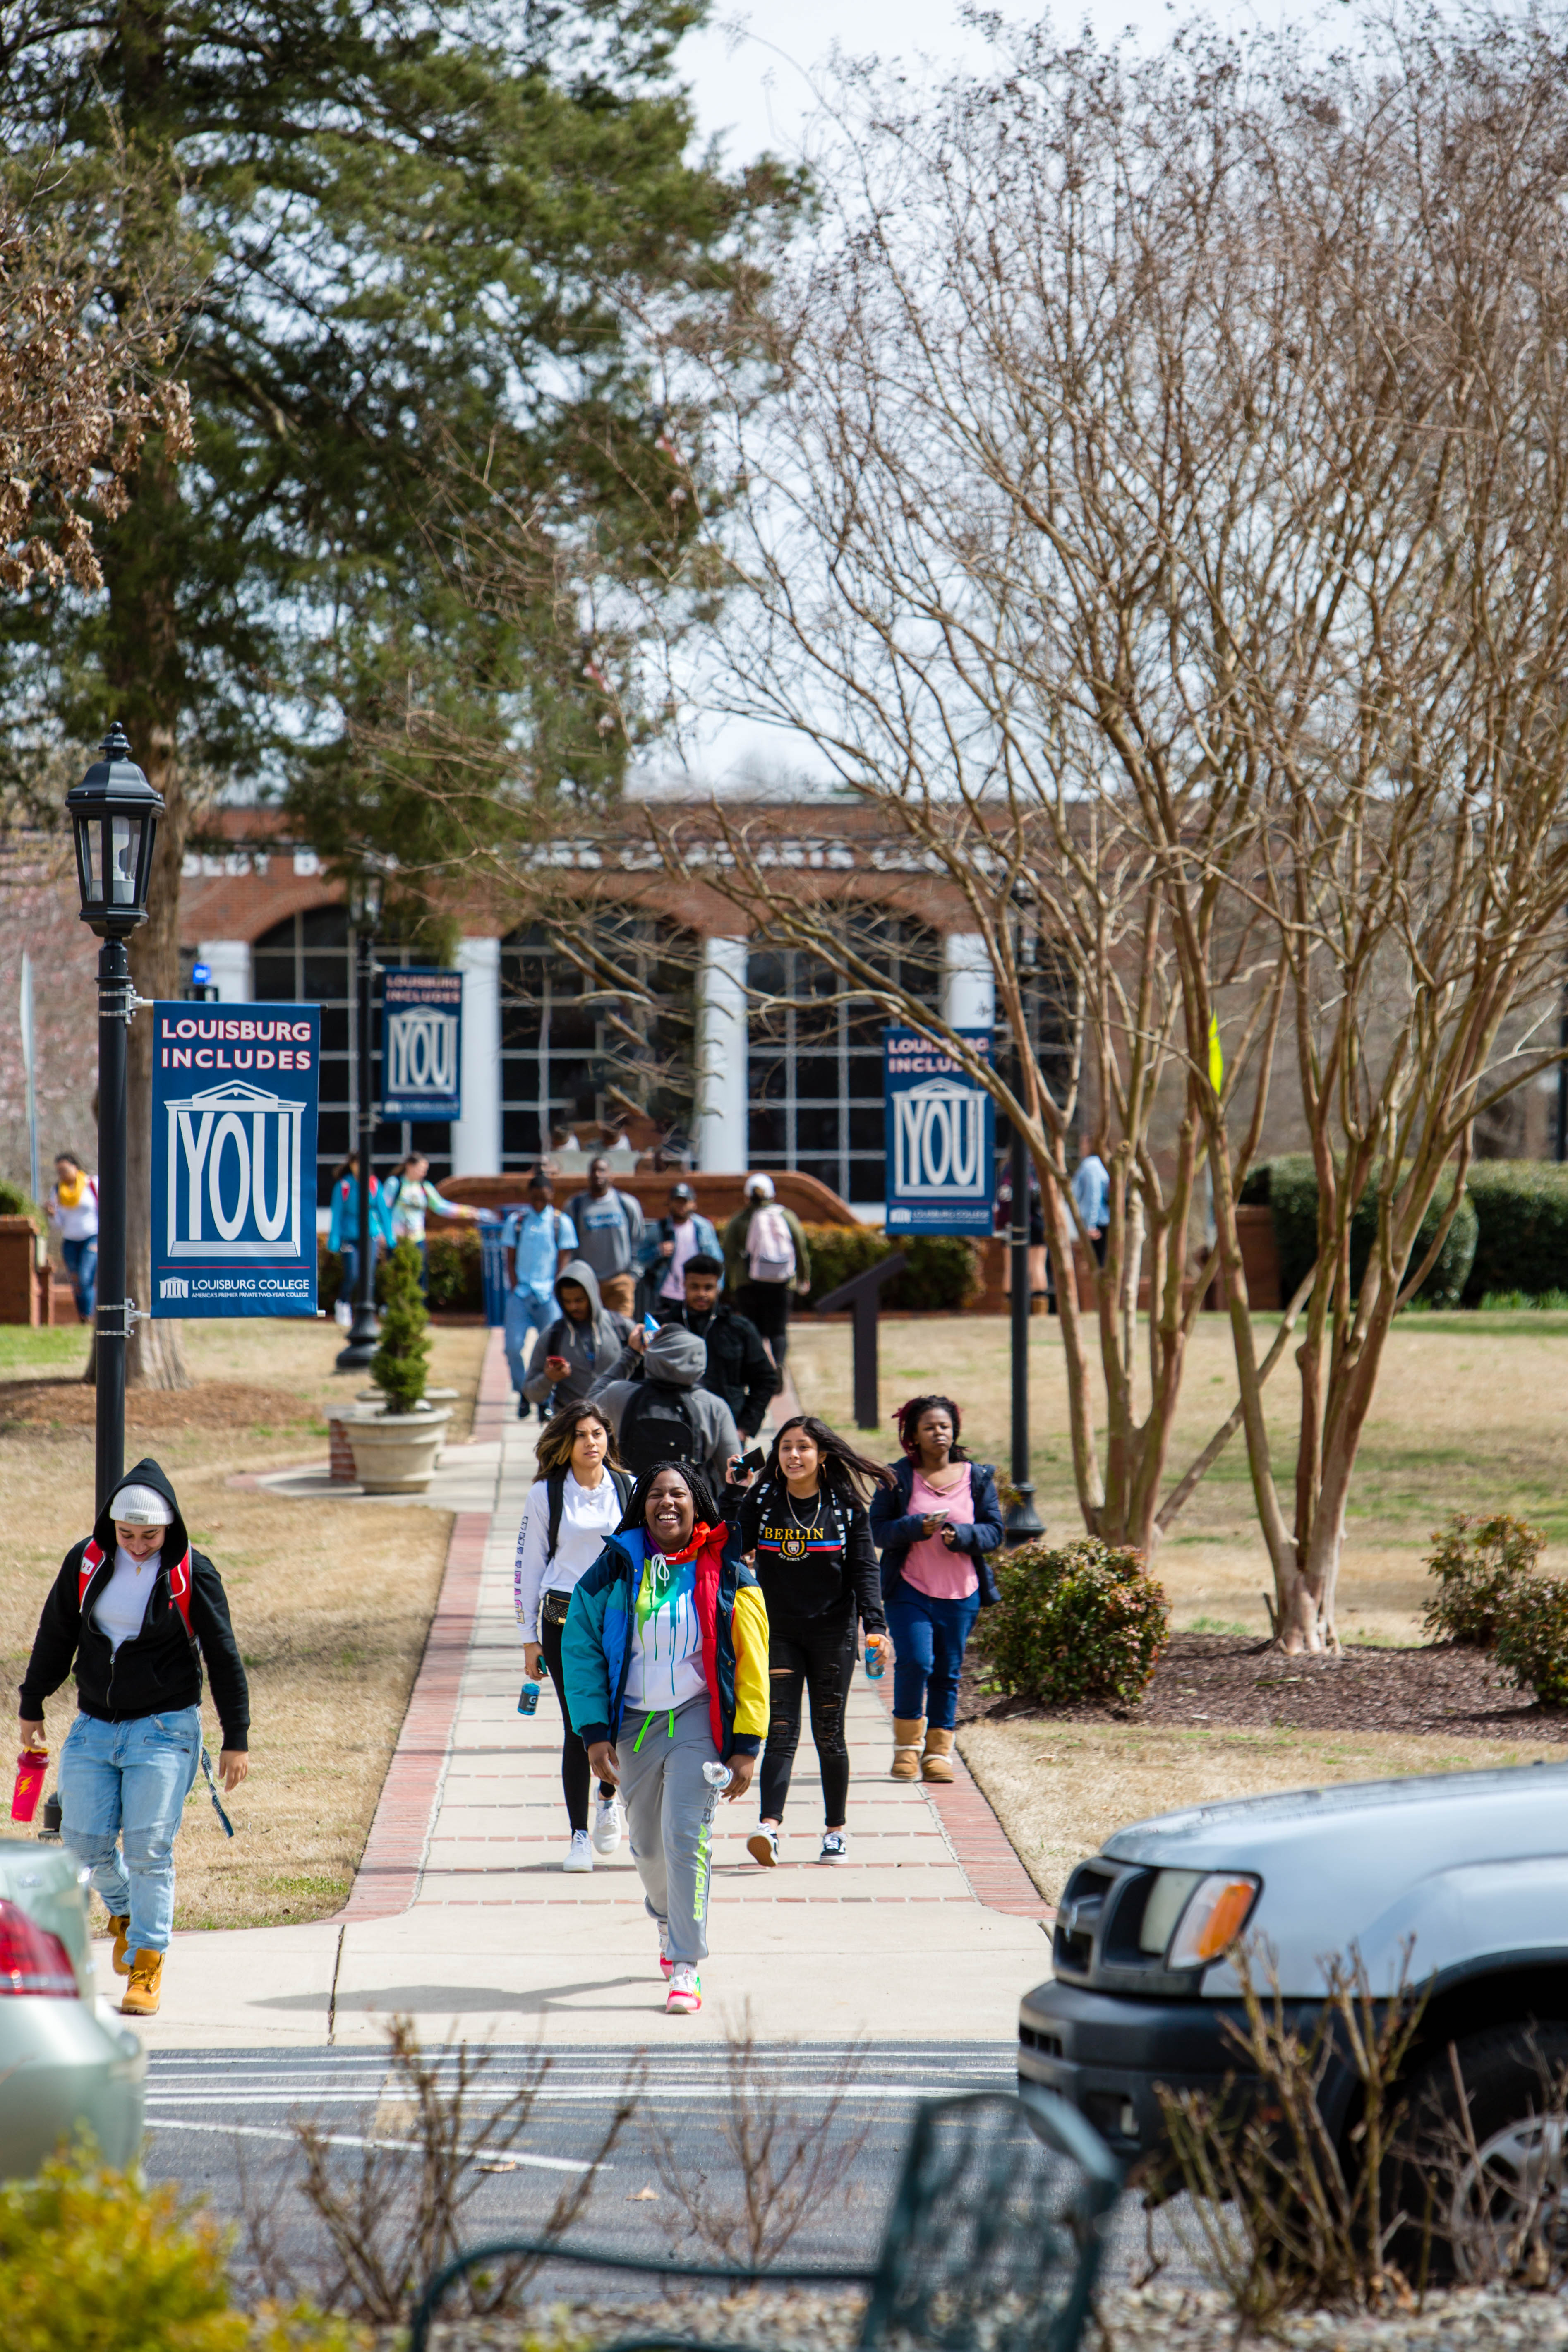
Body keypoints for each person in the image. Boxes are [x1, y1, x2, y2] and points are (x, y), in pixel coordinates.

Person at [17, 1459, 250, 2019]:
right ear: (110, 1527)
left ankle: (147, 1961)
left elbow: (223, 1654)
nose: (140, 1546)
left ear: (170, 1528)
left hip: (165, 1729)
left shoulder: (193, 1572)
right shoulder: (88, 1562)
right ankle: (123, 1914)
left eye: (151, 1535)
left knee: (149, 1849)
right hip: (95, 1725)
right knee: (82, 1842)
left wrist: (235, 1736)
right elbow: (57, 1632)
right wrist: (32, 1700)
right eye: (128, 1534)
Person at [561, 1459, 768, 2014]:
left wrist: (747, 1744)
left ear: (697, 1502)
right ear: (642, 1505)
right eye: (656, 1494)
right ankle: (664, 1913)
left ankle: (685, 1963)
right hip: (632, 1722)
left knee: (685, 1839)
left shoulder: (725, 1569)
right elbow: (579, 1644)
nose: (667, 1503)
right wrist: (594, 1732)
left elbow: (751, 1659)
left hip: (699, 1721)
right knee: (647, 1845)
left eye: (678, 1493)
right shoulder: (616, 1565)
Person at [738, 1415, 894, 1866]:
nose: (793, 1455)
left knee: (830, 1734)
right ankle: (769, 1827)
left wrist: (876, 1627)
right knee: (780, 1730)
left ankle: (835, 1831)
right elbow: (732, 1545)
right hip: (779, 1631)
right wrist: (735, 1494)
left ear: (822, 1454)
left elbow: (865, 1569)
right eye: (785, 1447)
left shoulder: (845, 1506)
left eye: (803, 1447)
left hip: (833, 1633)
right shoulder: (765, 1499)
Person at [515, 1402, 633, 1871]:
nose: (591, 1443)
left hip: (617, 1615)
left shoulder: (628, 1487)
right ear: (566, 1443)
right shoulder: (547, 1493)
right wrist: (529, 1638)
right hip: (562, 1618)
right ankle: (578, 1835)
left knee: (618, 1717)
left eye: (598, 1434)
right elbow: (528, 1566)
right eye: (582, 1435)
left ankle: (609, 1797)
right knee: (576, 1725)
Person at [869, 1395, 1003, 1785]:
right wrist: (915, 1528)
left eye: (944, 1426)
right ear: (913, 1435)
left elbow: (995, 1531)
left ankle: (938, 1753)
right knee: (916, 1662)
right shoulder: (896, 1478)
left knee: (947, 1672)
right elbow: (877, 1530)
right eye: (929, 1427)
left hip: (962, 1592)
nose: (938, 1433)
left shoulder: (977, 1478)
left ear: (954, 1430)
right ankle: (907, 1750)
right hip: (910, 1588)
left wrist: (961, 1534)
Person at [612, 1254, 775, 1439]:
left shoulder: (739, 1330)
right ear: (684, 1284)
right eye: (695, 1287)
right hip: (667, 1429)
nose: (702, 1294)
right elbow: (636, 1376)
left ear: (718, 1287)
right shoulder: (660, 1326)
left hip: (725, 1429)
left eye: (709, 1287)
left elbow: (765, 1380)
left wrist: (745, 1428)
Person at [589, 1323, 742, 1486]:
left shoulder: (621, 1395)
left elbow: (589, 1404)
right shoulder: (715, 1407)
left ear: (653, 1353)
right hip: (691, 1506)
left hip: (633, 1503)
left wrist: (632, 1354)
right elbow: (736, 1475)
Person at [503, 1171, 578, 1418]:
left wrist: (558, 1290)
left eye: (543, 1198)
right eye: (535, 1197)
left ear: (551, 1195)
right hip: (522, 1294)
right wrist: (515, 1286)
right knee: (513, 1347)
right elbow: (510, 1258)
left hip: (549, 1296)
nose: (539, 1202)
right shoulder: (517, 1221)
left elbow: (564, 1260)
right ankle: (524, 1392)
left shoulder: (561, 1222)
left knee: (551, 1350)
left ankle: (545, 1398)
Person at [721, 1174, 812, 1373]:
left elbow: (728, 1252)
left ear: (747, 1195)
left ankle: (757, 1369)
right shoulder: (786, 1216)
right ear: (772, 1194)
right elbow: (801, 1247)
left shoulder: (740, 1220)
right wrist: (804, 1278)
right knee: (778, 1330)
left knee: (752, 1329)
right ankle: (778, 1365)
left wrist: (728, 1284)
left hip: (747, 1283)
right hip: (782, 1281)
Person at [522, 1259, 631, 1416]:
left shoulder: (622, 1328)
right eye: (567, 1302)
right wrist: (548, 1378)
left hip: (619, 1427)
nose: (573, 1307)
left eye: (579, 1300)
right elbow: (531, 1394)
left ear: (592, 1295)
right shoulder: (552, 1336)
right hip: (572, 1428)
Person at [383, 1152, 483, 1291]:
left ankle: (418, 1311)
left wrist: (468, 1211)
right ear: (409, 1166)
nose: (423, 1173)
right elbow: (382, 1210)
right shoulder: (395, 1184)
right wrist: (383, 1233)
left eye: (425, 1169)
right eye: (421, 1168)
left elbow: (441, 1207)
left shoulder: (424, 1187)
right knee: (397, 1280)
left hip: (417, 1239)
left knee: (419, 1281)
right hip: (397, 1241)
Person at [565, 1156, 646, 1318]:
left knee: (622, 1332)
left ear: (611, 1175)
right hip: (588, 1284)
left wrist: (632, 1276)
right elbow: (568, 1247)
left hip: (620, 1281)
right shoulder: (576, 1206)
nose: (597, 1175)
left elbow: (639, 1241)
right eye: (594, 1171)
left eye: (602, 1170)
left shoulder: (626, 1204)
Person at [327, 1154, 395, 1315]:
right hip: (350, 1237)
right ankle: (343, 1304)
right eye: (355, 1164)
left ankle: (367, 1309)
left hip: (370, 1236)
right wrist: (334, 1239)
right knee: (352, 1274)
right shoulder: (344, 1186)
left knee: (369, 1276)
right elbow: (337, 1214)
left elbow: (383, 1212)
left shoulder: (373, 1183)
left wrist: (389, 1236)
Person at [640, 1182, 721, 1311]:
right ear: (670, 1203)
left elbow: (716, 1260)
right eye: (677, 1201)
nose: (681, 1206)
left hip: (697, 1295)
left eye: (685, 1202)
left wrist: (717, 1288)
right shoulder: (659, 1229)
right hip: (667, 1293)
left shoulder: (703, 1228)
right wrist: (658, 1252)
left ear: (694, 1204)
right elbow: (641, 1258)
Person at [47, 1151, 99, 1324]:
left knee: (86, 1277)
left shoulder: (92, 1184)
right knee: (76, 1281)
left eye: (65, 1170)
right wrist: (52, 1215)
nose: (62, 1174)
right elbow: (57, 1225)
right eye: (59, 1171)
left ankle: (90, 1315)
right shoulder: (57, 1191)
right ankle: (83, 1317)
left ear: (75, 1167)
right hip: (70, 1241)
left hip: (91, 1238)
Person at [995, 1154, 1049, 1311]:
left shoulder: (1007, 1169)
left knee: (1010, 1267)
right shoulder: (1037, 1167)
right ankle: (1039, 1310)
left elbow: (1001, 1199)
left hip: (1010, 1224)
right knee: (1037, 1266)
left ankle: (1011, 1310)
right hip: (1035, 1222)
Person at [1072, 1137, 1112, 1266]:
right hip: (1100, 1221)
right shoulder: (1098, 1164)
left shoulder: (1092, 1165)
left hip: (1096, 1224)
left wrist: (1091, 1225)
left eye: (1083, 1142)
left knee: (1095, 1266)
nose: (1081, 1146)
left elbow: (1093, 1195)